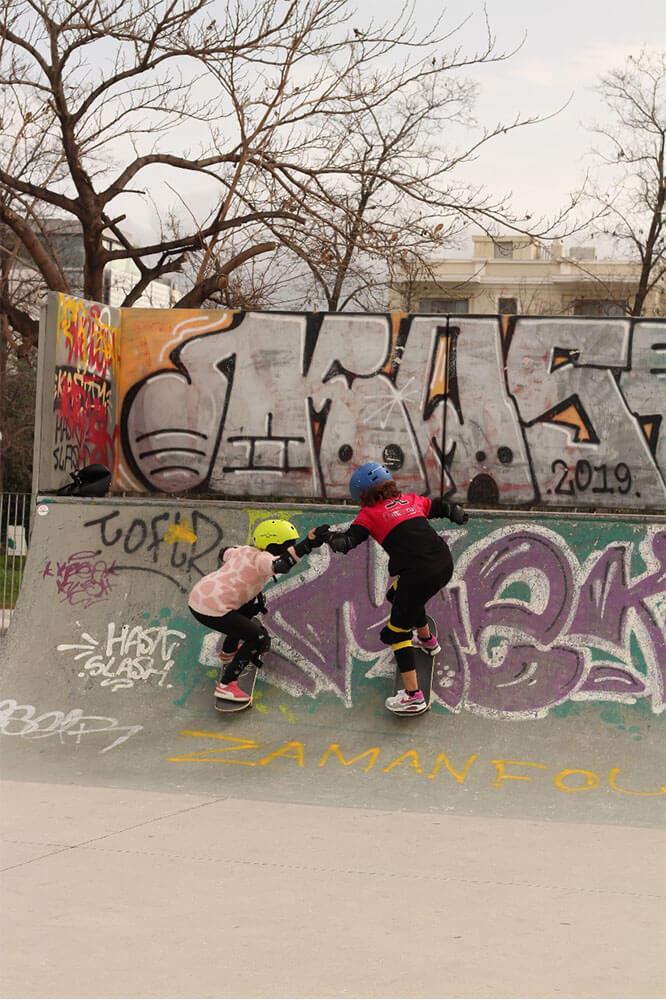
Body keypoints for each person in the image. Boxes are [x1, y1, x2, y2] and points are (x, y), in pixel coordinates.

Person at [327, 461, 468, 715]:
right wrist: (455, 513)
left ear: (361, 495)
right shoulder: (411, 500)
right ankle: (427, 640)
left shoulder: (368, 514)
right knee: (398, 595)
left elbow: (349, 541)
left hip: (418, 575)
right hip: (443, 564)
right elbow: (442, 507)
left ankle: (413, 696)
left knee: (397, 631)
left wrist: (333, 539)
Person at [188, 519, 329, 703]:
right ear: (274, 547)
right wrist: (308, 543)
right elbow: (282, 565)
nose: (290, 549)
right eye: (288, 546)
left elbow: (224, 552)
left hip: (198, 597)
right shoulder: (263, 559)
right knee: (258, 638)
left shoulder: (243, 550)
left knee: (249, 608)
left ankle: (228, 652)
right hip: (213, 609)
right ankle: (226, 686)